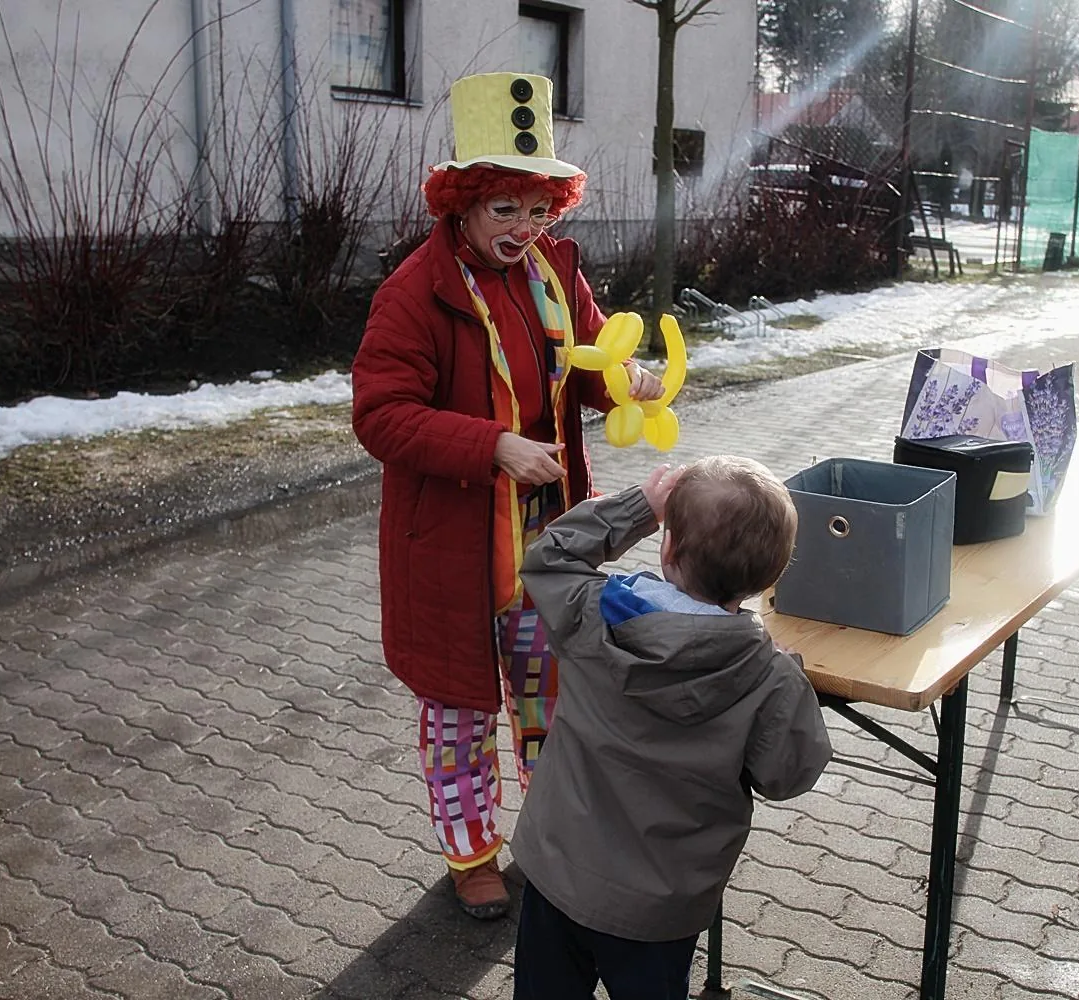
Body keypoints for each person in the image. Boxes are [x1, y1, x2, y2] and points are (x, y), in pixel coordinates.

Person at [351, 71, 663, 920]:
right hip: (451, 543)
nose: (525, 230)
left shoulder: (555, 270)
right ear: (464, 203)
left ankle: (548, 830)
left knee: (549, 692)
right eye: (505, 211)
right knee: (457, 710)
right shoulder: (414, 292)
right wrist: (490, 446)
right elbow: (381, 416)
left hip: (546, 532)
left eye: (539, 210)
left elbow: (587, 362)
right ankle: (471, 855)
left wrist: (627, 382)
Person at [511, 457, 834, 1000]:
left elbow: (551, 556)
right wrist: (792, 679)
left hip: (557, 874)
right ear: (769, 578)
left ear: (667, 548)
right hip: (659, 912)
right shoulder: (767, 676)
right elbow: (787, 775)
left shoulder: (594, 613)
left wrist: (639, 506)